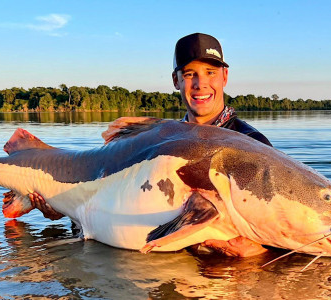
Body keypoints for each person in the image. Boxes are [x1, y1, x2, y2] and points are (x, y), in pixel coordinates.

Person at [29, 32, 272, 257]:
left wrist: (259, 253)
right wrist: (61, 208)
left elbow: (283, 232)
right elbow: (108, 200)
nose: (200, 84)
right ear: (176, 81)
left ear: (225, 77)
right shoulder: (160, 143)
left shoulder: (255, 146)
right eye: (189, 74)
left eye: (210, 72)